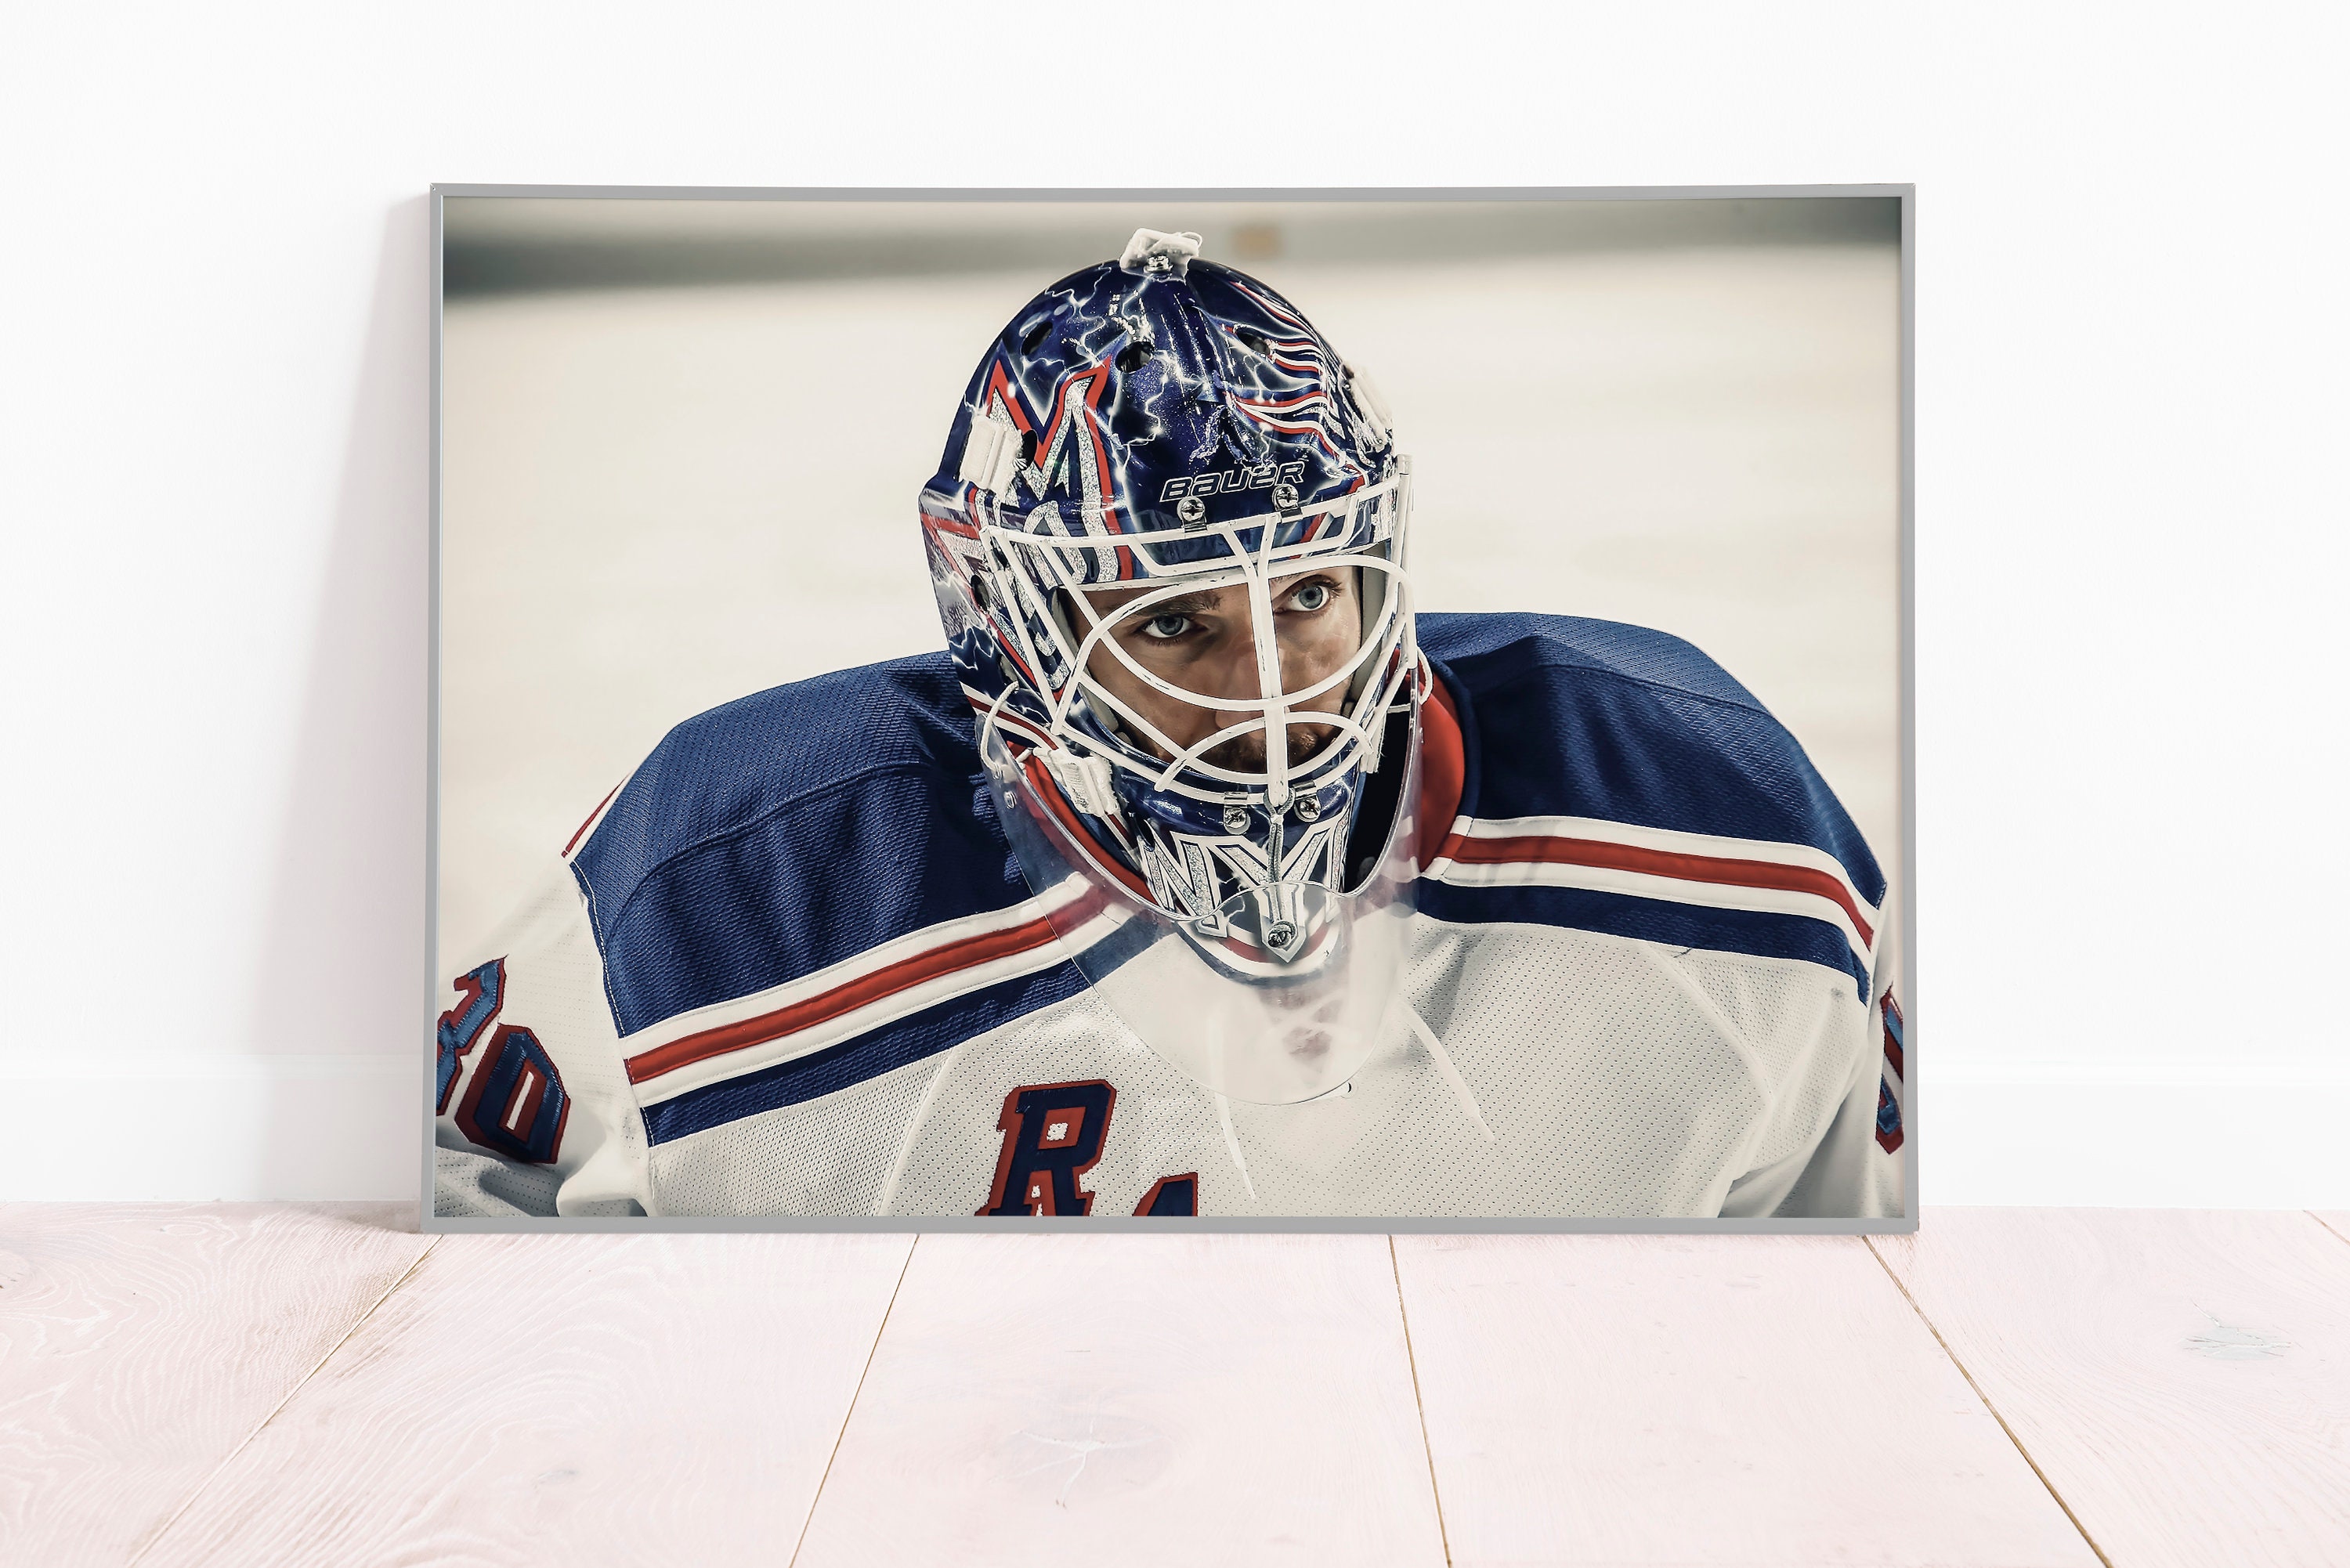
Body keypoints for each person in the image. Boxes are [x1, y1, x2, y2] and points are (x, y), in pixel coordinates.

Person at [433, 229, 1906, 1220]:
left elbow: (1874, 1316)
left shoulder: (1717, 822)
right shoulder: (735, 895)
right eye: (1173, 619)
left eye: (1313, 592)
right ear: (1012, 633)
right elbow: (443, 1260)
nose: (1267, 689)